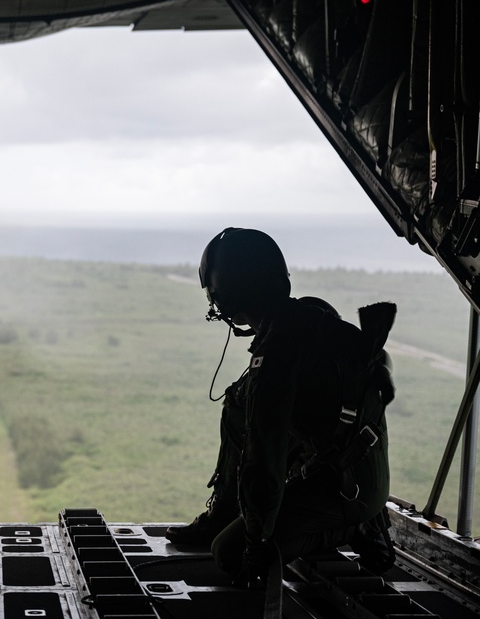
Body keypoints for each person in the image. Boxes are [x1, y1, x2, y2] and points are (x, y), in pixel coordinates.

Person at [166, 227, 395, 585]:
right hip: (344, 462)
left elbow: (264, 456)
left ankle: (360, 527)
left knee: (229, 554)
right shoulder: (306, 318)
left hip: (346, 486)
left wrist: (257, 537)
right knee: (238, 403)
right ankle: (224, 511)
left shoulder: (278, 353)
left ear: (227, 293)